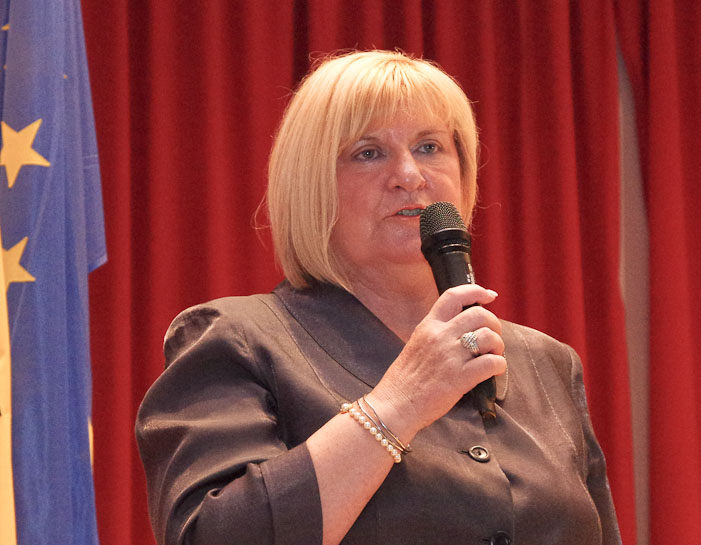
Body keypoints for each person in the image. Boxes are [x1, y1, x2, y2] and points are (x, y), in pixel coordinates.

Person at [136, 50, 622, 545]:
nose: (409, 175)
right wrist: (399, 404)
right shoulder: (238, 340)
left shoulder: (545, 362)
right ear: (311, 185)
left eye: (430, 147)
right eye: (368, 153)